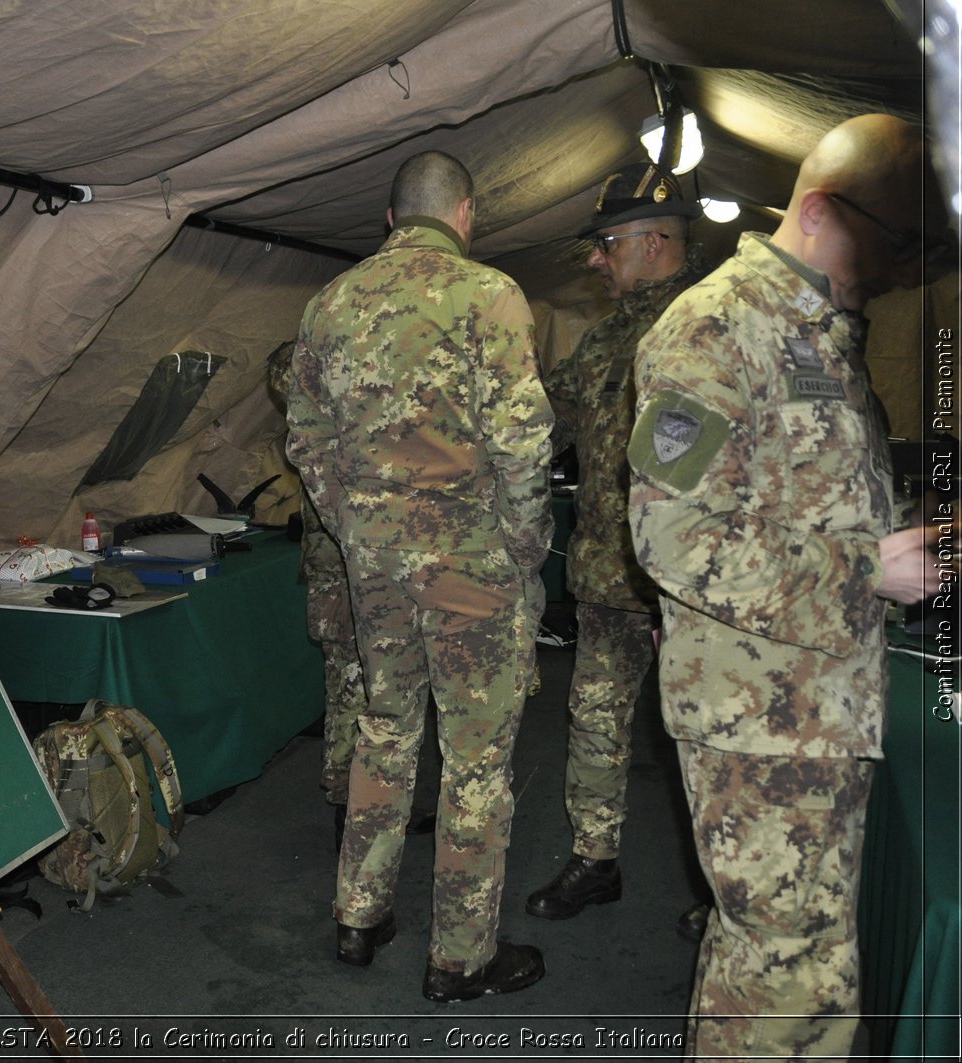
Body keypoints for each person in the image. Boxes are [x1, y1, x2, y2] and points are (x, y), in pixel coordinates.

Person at [627, 113, 950, 1058]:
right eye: (897, 246)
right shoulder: (715, 329)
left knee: (781, 972)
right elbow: (670, 531)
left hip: (812, 704)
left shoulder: (822, 333)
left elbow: (795, 497)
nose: (903, 271)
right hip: (758, 721)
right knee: (787, 983)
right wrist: (867, 571)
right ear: (819, 210)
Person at [286, 150, 554, 1001]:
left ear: (391, 221)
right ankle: (460, 957)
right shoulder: (491, 296)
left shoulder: (329, 305)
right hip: (471, 565)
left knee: (385, 729)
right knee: (476, 762)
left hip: (377, 568)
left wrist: (358, 526)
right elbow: (522, 444)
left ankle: (359, 916)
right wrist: (524, 546)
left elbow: (306, 441)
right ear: (466, 214)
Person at [525, 164, 709, 923]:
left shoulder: (706, 326)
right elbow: (551, 414)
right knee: (595, 715)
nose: (596, 260)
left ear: (657, 240)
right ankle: (595, 859)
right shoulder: (606, 335)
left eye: (607, 244)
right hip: (608, 572)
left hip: (690, 583)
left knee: (702, 735)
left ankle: (721, 888)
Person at [267, 344, 440, 855]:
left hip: (375, 571)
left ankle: (380, 803)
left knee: (384, 691)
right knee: (351, 692)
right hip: (342, 574)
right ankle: (351, 813)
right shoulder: (319, 421)